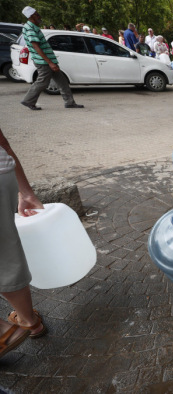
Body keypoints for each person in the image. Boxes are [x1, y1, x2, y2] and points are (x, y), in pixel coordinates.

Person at [1, 126, 49, 349]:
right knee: (6, 253)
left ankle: (13, 328)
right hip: (2, 174)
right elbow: (3, 142)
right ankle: (29, 321)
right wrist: (26, 192)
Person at [19, 6, 83, 111]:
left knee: (62, 81)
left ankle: (69, 102)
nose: (39, 16)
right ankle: (28, 100)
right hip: (44, 61)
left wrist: (51, 61)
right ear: (31, 16)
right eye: (37, 14)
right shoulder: (30, 28)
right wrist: (49, 63)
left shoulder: (33, 26)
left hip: (48, 60)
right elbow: (36, 47)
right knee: (43, 81)